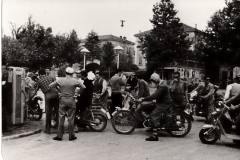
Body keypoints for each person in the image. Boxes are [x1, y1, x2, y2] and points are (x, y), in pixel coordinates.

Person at [50, 67, 85, 141]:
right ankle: (71, 136)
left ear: (65, 73)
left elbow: (51, 86)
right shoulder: (75, 80)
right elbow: (83, 87)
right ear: (72, 74)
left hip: (62, 100)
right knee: (71, 118)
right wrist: (77, 93)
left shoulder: (60, 80)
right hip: (71, 100)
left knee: (61, 118)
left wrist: (59, 91)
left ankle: (59, 136)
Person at [139, 73, 173, 141]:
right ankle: (152, 126)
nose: (152, 83)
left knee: (153, 115)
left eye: (152, 81)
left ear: (155, 80)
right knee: (150, 107)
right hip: (160, 102)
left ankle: (155, 136)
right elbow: (156, 95)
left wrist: (144, 99)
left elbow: (155, 95)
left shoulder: (162, 86)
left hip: (164, 103)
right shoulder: (161, 84)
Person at [33, 69, 59, 134]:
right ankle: (59, 127)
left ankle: (48, 130)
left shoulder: (39, 81)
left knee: (48, 112)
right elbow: (57, 86)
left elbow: (35, 90)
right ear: (45, 73)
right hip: (56, 94)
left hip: (48, 95)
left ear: (39, 74)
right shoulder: (51, 77)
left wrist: (31, 97)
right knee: (57, 111)